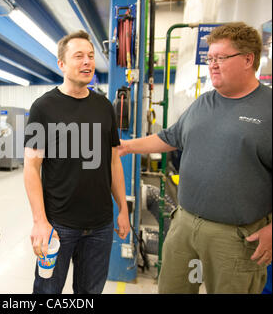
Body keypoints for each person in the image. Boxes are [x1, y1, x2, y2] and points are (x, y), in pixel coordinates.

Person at [118, 22, 272, 294]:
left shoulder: (268, 109)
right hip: (185, 226)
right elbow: (170, 137)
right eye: (210, 58)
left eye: (220, 58)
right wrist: (126, 147)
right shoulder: (204, 102)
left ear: (248, 59)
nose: (212, 64)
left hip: (234, 238)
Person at [24, 30, 130, 294]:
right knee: (47, 292)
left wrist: (123, 209)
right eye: (79, 56)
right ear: (61, 64)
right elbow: (32, 167)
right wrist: (40, 221)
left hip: (100, 226)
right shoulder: (44, 107)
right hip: (58, 225)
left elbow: (113, 162)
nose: (87, 62)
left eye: (91, 56)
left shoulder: (105, 106)